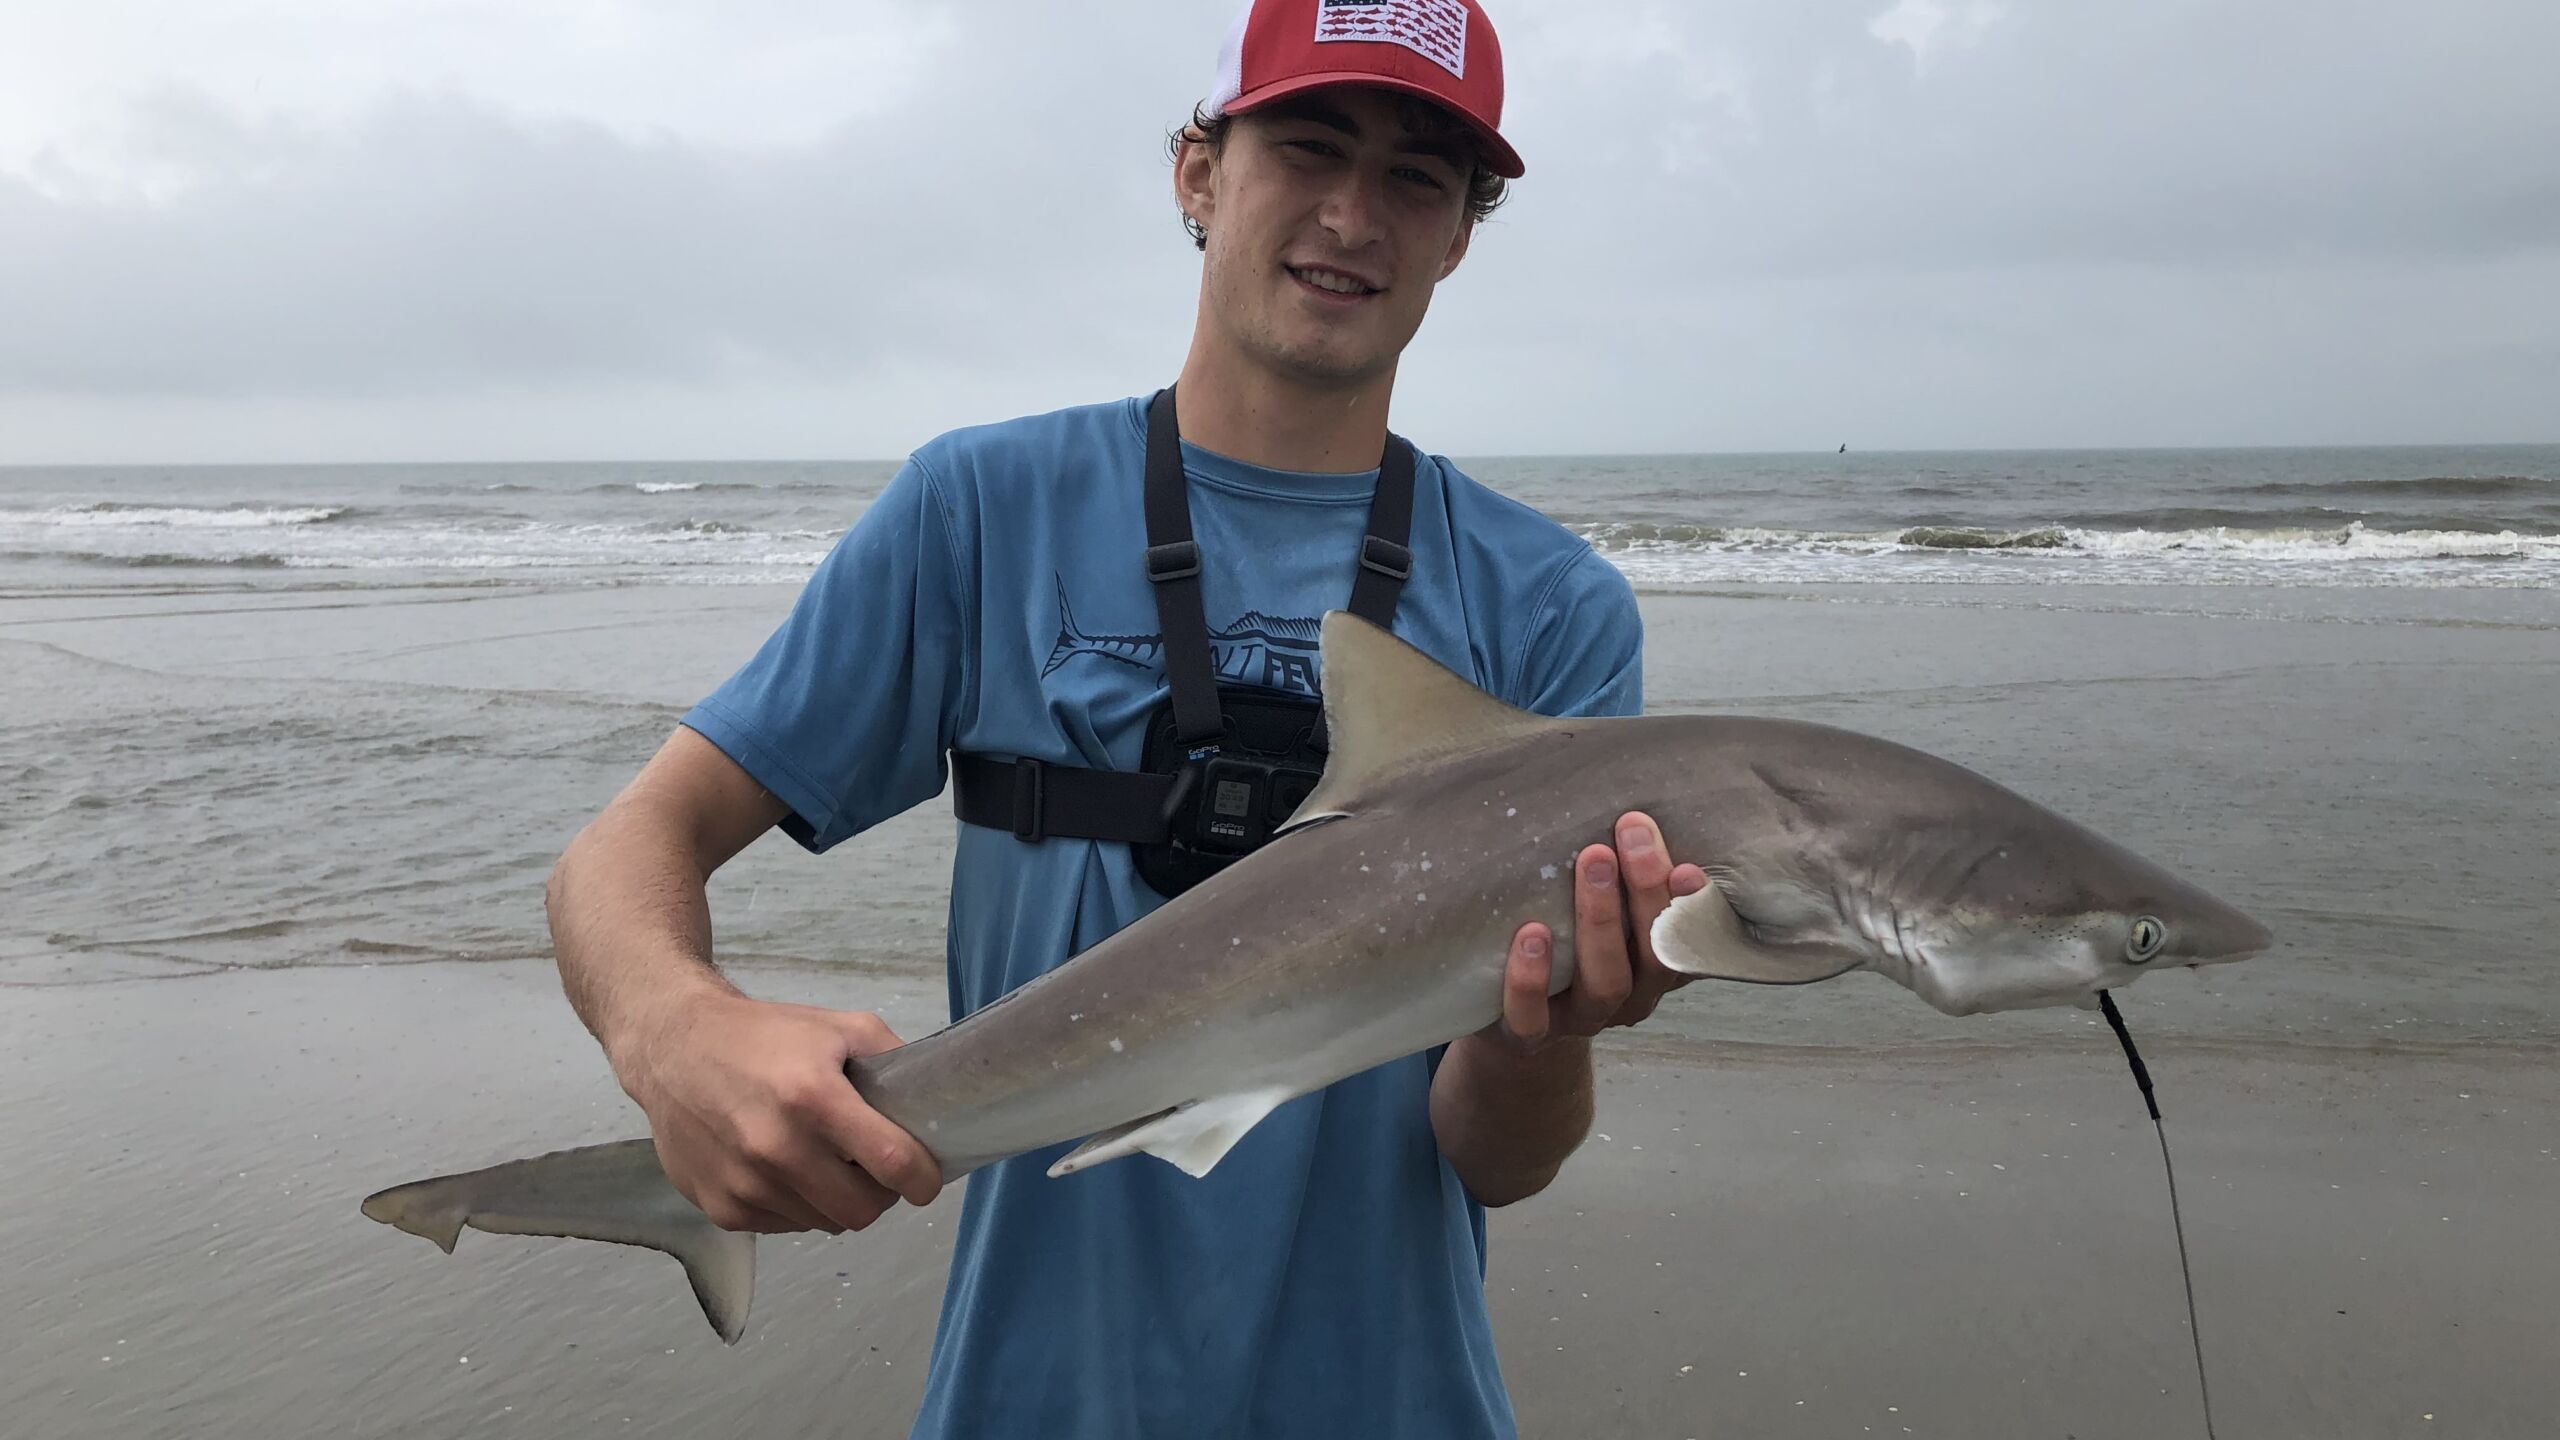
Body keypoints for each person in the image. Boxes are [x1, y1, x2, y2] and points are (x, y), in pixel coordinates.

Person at [545, 1, 1707, 1434]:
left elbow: (1494, 1162)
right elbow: (628, 844)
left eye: (1418, 176)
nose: (1353, 214)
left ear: (1464, 230)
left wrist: (1551, 1033)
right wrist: (676, 1035)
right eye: (1307, 146)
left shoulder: (1551, 609)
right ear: (1198, 174)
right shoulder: (982, 514)